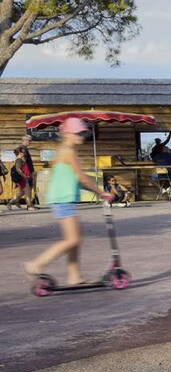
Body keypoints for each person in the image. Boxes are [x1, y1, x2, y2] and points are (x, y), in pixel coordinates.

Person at [23, 117, 112, 286]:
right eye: (78, 132)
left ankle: (74, 276)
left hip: (63, 200)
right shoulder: (68, 152)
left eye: (82, 132)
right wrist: (101, 192)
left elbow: (76, 181)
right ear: (68, 134)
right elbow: (82, 178)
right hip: (62, 201)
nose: (82, 135)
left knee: (76, 239)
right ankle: (35, 265)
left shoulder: (65, 150)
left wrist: (98, 193)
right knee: (71, 240)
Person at [17, 135, 37, 208]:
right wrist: (26, 173)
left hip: (28, 171)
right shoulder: (21, 149)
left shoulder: (24, 148)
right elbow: (21, 161)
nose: (30, 142)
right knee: (27, 189)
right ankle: (29, 206)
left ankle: (13, 201)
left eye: (30, 141)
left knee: (25, 189)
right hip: (25, 172)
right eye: (29, 141)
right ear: (24, 141)